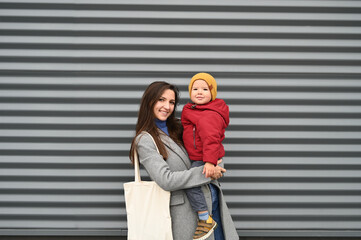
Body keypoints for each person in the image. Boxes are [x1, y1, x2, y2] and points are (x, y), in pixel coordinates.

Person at [129, 81, 238, 240]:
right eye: (161, 100)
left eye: (171, 102)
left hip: (213, 203)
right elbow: (166, 180)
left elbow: (213, 149)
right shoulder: (145, 140)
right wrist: (208, 172)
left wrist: (216, 165)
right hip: (187, 214)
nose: (167, 106)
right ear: (149, 101)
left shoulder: (181, 127)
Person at [181, 72, 229, 240]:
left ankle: (204, 218)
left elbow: (211, 138)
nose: (199, 92)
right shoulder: (194, 110)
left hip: (204, 158)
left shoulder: (209, 113)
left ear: (212, 93)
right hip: (199, 157)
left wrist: (209, 162)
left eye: (204, 89)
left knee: (190, 183)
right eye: (195, 89)